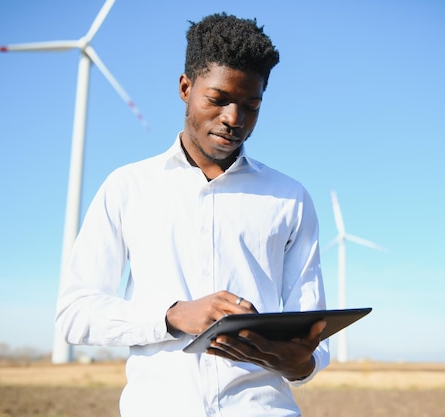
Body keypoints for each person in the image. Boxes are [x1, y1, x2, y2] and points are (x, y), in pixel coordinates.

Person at [55, 12, 329, 417]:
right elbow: (74, 314)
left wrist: (301, 364)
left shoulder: (291, 198)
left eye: (250, 105)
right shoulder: (126, 187)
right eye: (218, 100)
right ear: (185, 87)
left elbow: (312, 336)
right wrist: (172, 315)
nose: (233, 119)